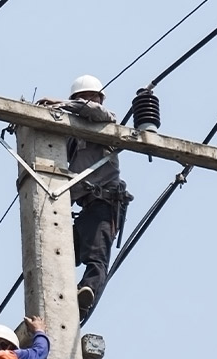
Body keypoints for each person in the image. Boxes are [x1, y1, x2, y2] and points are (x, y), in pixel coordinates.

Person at [36, 75, 134, 318]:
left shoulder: (106, 121)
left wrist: (61, 104)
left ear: (99, 98)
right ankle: (62, 299)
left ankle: (86, 292)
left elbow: (95, 112)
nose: (87, 101)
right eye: (81, 97)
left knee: (96, 258)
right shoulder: (72, 134)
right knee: (57, 252)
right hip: (84, 209)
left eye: (91, 97)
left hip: (105, 204)